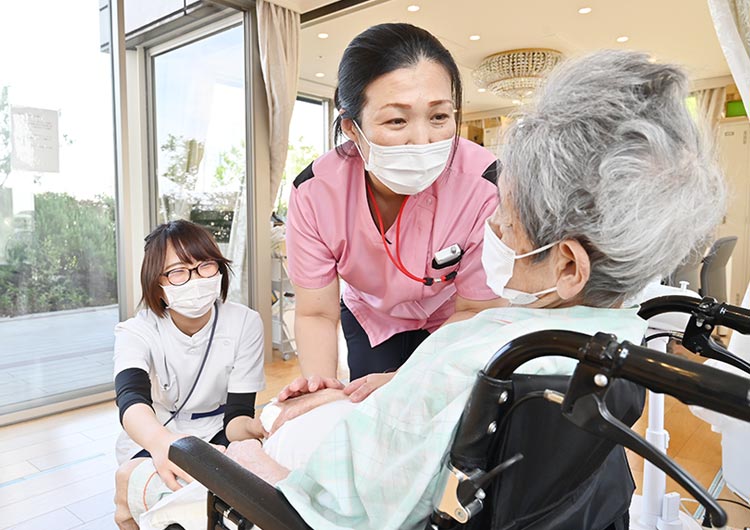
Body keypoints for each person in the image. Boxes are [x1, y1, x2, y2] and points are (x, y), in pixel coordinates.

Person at [225, 50, 726, 530]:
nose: (493, 230)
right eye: (396, 121)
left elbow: (343, 511)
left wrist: (242, 451)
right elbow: (324, 320)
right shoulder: (616, 334)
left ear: (569, 265)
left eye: (505, 221)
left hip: (350, 457)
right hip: (406, 393)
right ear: (351, 127)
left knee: (239, 439)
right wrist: (388, 385)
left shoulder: (469, 350)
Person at [282, 22, 501, 403]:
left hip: (455, 318)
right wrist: (320, 389)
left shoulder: (484, 182)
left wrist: (412, 378)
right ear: (352, 127)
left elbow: (477, 309)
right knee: (368, 409)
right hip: (373, 319)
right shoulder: (315, 192)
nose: (422, 140)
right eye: (396, 120)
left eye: (438, 117)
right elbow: (316, 313)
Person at [112, 220, 266, 530]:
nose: (195, 280)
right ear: (158, 284)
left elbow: (237, 417)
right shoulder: (136, 331)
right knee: (131, 486)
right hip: (158, 432)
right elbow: (130, 399)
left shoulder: (245, 322)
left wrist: (261, 426)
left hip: (219, 429)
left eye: (205, 266)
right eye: (179, 271)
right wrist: (162, 442)